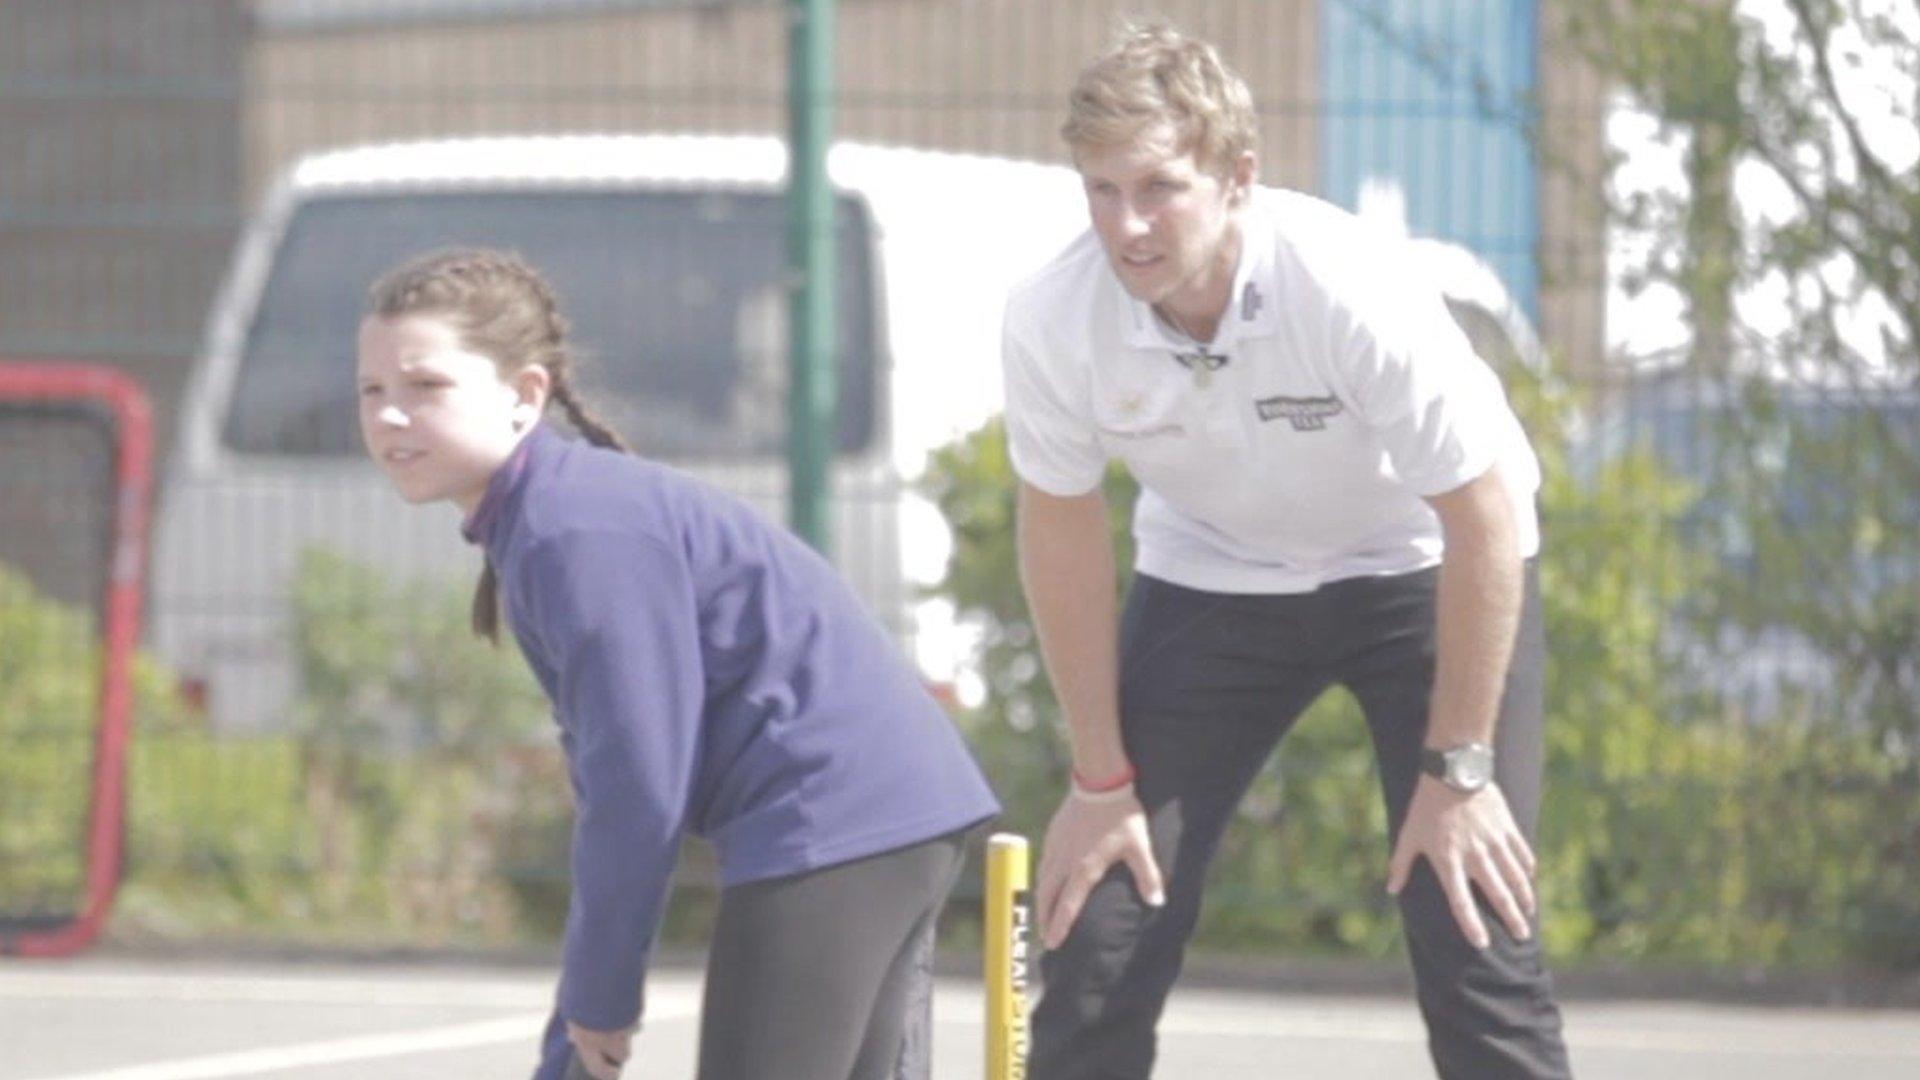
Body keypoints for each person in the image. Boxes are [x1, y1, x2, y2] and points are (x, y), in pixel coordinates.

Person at [1002, 23, 1573, 1080]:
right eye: (1100, 189)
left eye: (1160, 187)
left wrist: (1458, 774)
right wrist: (1098, 778)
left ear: (1238, 178)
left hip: (1420, 569)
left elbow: (1485, 516)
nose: (1127, 226)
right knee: (1098, 924)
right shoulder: (1053, 316)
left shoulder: (1344, 282)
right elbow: (1062, 530)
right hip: (1215, 580)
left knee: (1471, 924)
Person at [355, 247, 999, 1080]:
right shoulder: (551, 516)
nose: (390, 416)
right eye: (372, 391)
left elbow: (636, 782)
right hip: (893, 809)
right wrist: (582, 1015)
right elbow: (620, 772)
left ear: (525, 396)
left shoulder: (572, 529)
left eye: (425, 386)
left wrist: (599, 995)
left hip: (838, 814)